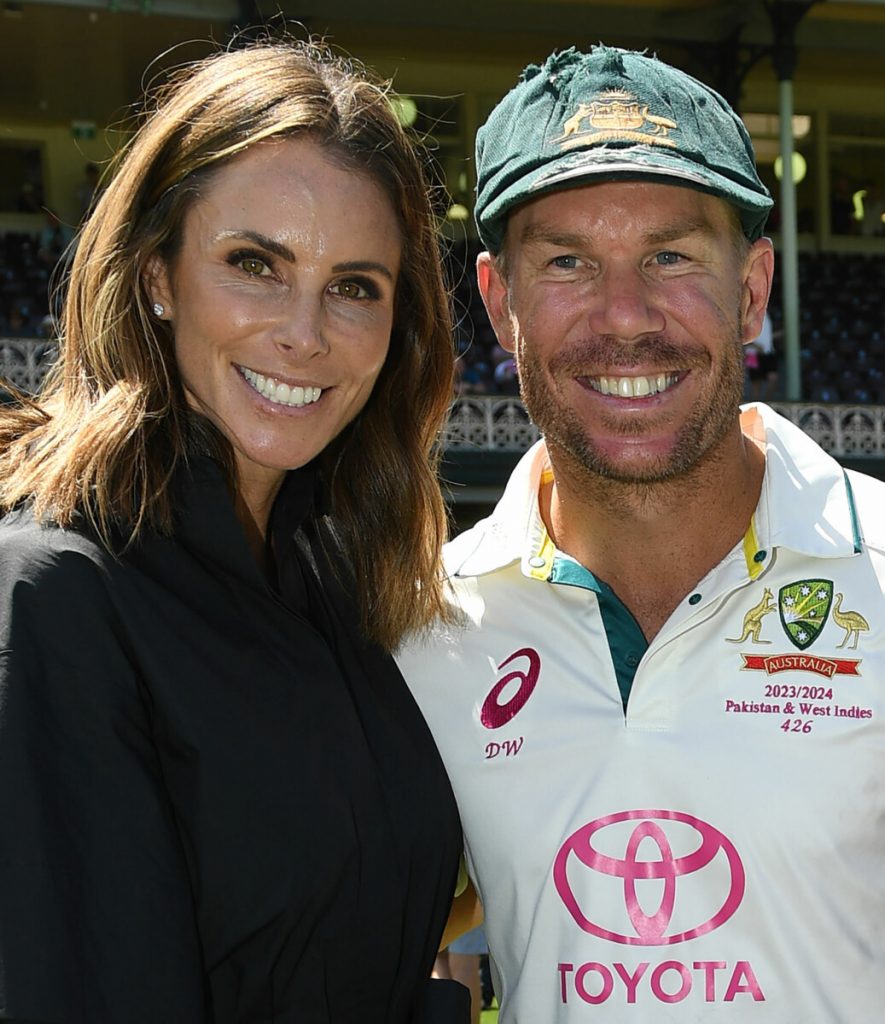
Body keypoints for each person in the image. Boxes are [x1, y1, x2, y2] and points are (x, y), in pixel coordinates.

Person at [398, 45, 885, 1022]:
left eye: (670, 256)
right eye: (569, 262)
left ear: (751, 287)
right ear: (500, 302)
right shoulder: (422, 626)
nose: (625, 318)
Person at [0, 37, 468, 1024]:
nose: (306, 332)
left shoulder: (337, 582)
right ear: (157, 274)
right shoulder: (58, 595)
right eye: (255, 263)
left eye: (355, 285)